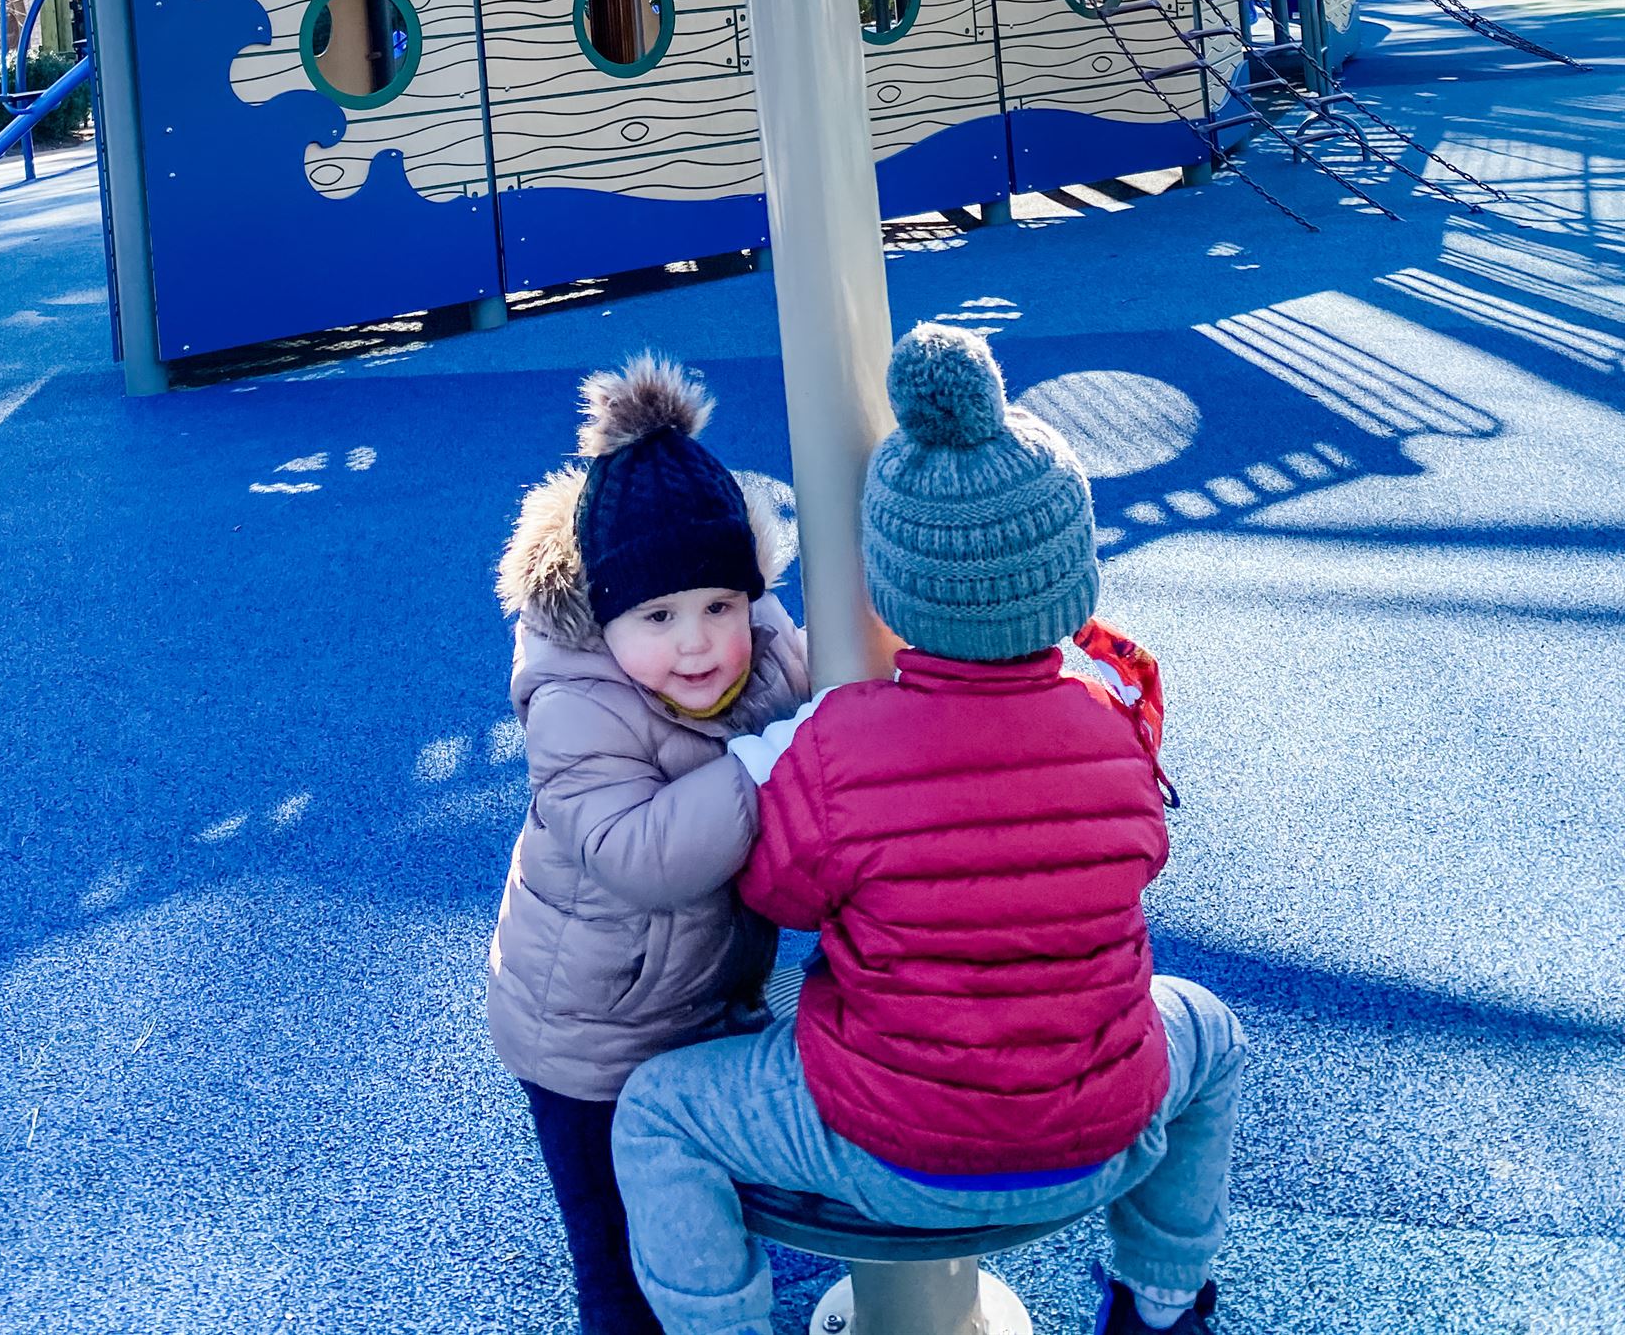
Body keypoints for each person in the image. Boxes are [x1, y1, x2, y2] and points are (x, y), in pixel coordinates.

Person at [610, 322, 1245, 1335]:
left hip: (894, 1148)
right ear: (1066, 576)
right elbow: (1139, 851)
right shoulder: (1107, 725)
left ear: (889, 583)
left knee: (655, 1109)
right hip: (1101, 1130)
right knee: (1209, 1031)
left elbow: (776, 890)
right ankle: (1162, 1303)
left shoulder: (843, 738)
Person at [488, 357, 809, 1335]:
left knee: (700, 1226)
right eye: (659, 617)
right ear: (606, 614)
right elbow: (636, 852)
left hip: (701, 1002)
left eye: (720, 605)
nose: (697, 642)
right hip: (584, 1037)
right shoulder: (575, 703)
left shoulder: (763, 647)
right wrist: (762, 765)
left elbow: (818, 704)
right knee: (616, 1254)